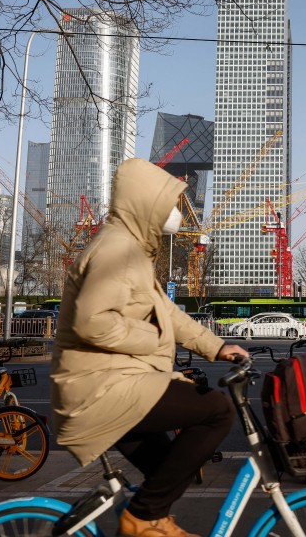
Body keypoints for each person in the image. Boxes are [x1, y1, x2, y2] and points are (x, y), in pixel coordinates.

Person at [51, 158, 248, 537]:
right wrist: (154, 339)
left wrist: (217, 346)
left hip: (114, 384)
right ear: (145, 204)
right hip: (99, 391)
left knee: (168, 474)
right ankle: (142, 520)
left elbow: (167, 313)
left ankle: (151, 520)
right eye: (171, 204)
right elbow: (92, 321)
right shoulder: (116, 250)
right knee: (217, 410)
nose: (177, 213)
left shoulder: (134, 252)